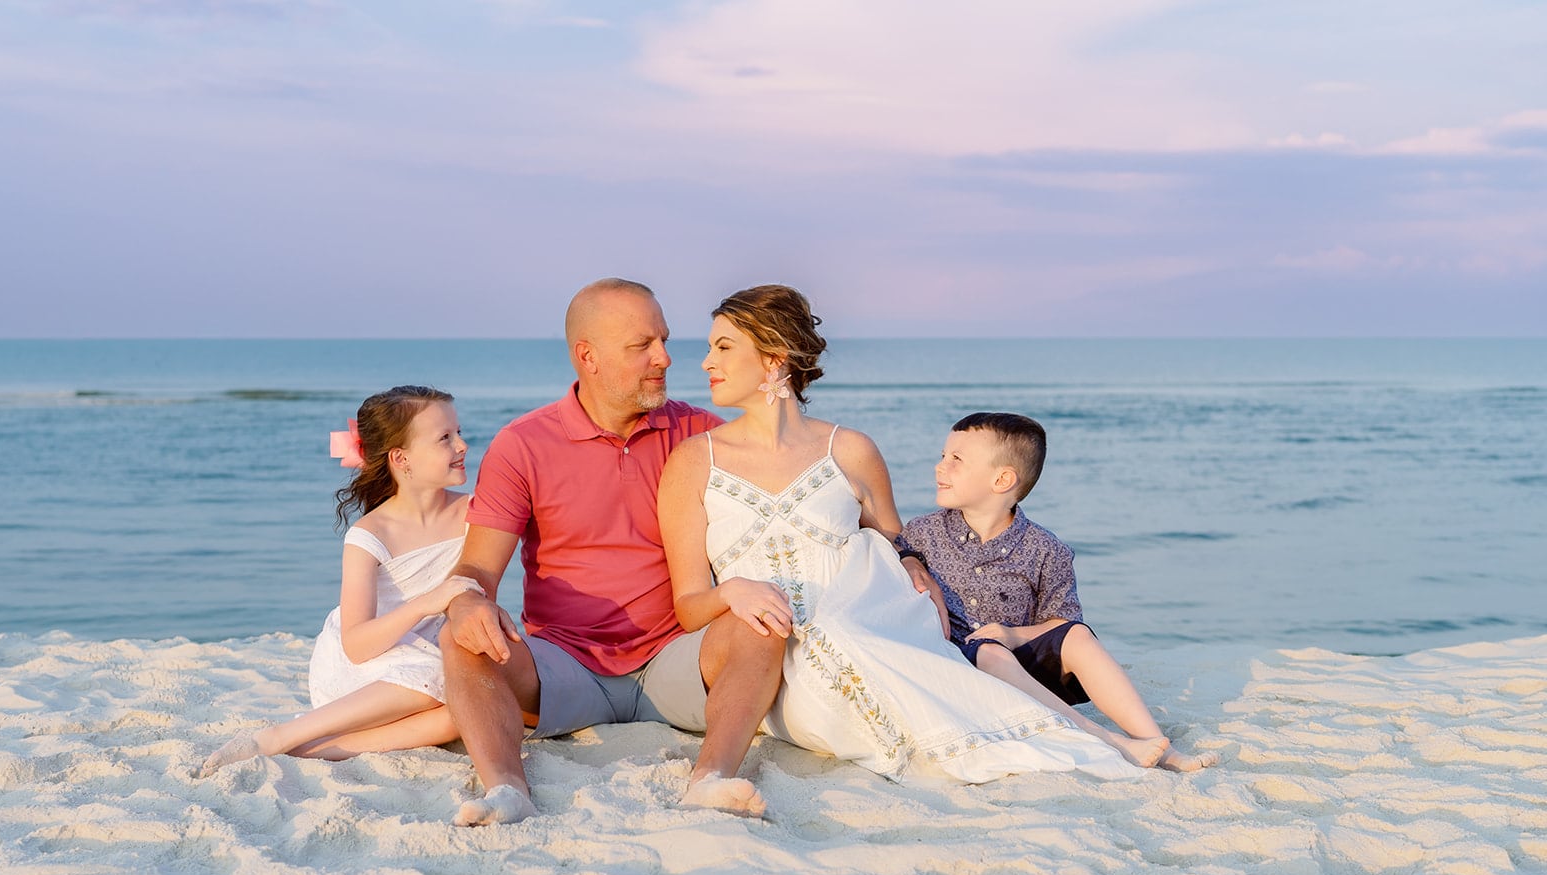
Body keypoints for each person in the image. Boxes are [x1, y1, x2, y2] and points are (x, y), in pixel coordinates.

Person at [655, 285, 1143, 791]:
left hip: (860, 626)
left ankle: (1100, 739)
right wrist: (733, 590)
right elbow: (689, 607)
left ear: (774, 357)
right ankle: (710, 780)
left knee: (922, 673)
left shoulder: (850, 450)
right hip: (757, 660)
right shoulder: (694, 462)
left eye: (724, 346)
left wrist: (912, 565)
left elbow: (894, 542)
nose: (706, 361)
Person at [440, 278, 786, 825]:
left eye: (665, 340)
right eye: (642, 345)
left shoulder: (701, 432)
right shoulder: (523, 443)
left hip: (679, 659)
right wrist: (466, 603)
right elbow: (477, 569)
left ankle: (710, 778)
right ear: (588, 357)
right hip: (564, 666)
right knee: (461, 637)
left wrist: (906, 555)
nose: (665, 358)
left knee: (760, 620)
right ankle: (508, 790)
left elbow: (804, 491)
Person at [897, 412, 1216, 772]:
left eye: (956, 460)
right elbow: (888, 559)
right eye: (943, 455)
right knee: (988, 653)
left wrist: (1013, 635)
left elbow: (1061, 624)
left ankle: (1156, 743)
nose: (940, 467)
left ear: (1002, 479)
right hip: (959, 670)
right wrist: (908, 557)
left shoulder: (1047, 549)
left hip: (1026, 675)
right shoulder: (921, 534)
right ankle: (1106, 739)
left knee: (1077, 634)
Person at [196, 385, 479, 778]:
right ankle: (277, 737)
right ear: (402, 458)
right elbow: (357, 644)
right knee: (438, 677)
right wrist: (426, 602)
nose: (463, 445)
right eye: (445, 438)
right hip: (365, 666)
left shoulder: (475, 510)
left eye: (460, 432)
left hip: (426, 660)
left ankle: (319, 750)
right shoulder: (369, 535)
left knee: (460, 714)